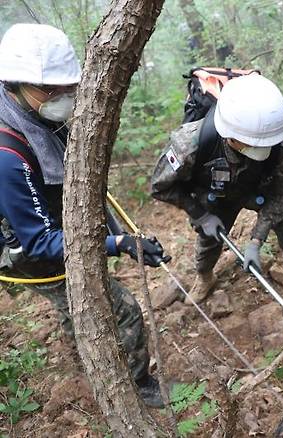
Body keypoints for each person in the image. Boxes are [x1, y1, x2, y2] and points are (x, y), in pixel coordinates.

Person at [0, 23, 168, 408]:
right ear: (13, 84)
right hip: (29, 250)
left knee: (70, 305)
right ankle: (138, 385)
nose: (62, 96)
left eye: (66, 87)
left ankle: (83, 353)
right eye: (50, 89)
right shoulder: (8, 158)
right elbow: (40, 243)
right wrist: (119, 243)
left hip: (45, 219)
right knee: (123, 310)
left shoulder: (32, 113)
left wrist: (114, 230)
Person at [151, 73, 283, 304]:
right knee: (209, 241)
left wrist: (256, 241)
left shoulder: (279, 144)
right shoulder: (189, 144)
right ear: (229, 135)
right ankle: (205, 276)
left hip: (260, 189)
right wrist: (200, 214)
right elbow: (159, 186)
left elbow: (282, 197)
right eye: (252, 146)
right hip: (217, 196)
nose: (261, 150)